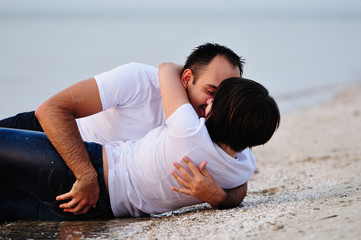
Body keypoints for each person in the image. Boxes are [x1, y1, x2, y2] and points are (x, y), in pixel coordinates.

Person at [0, 64, 281, 220]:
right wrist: (219, 197)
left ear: (224, 113)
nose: (209, 101)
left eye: (215, 99)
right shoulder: (241, 166)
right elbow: (241, 187)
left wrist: (194, 74)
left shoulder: (188, 132)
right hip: (105, 210)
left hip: (86, 170)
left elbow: (167, 69)